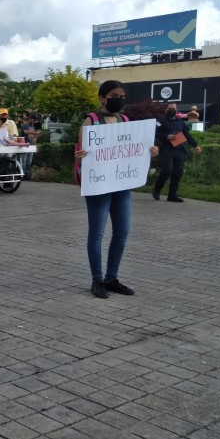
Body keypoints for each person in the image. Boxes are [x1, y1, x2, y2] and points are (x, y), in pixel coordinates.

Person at [75, 80, 159, 299]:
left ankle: (112, 278)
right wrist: (80, 155)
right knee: (97, 234)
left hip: (121, 184)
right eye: (114, 95)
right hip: (99, 184)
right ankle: (97, 280)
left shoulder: (125, 120)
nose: (119, 99)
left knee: (122, 232)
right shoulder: (90, 121)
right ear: (102, 98)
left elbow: (134, 148)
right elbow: (82, 150)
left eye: (122, 95)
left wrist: (150, 151)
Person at [152, 103, 201, 203]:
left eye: (173, 108)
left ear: (177, 110)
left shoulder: (180, 122)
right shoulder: (160, 121)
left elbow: (186, 135)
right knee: (167, 171)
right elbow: (155, 132)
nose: (171, 110)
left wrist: (195, 145)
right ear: (166, 110)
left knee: (178, 172)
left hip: (179, 149)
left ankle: (172, 195)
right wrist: (167, 136)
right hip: (166, 149)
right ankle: (157, 189)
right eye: (170, 108)